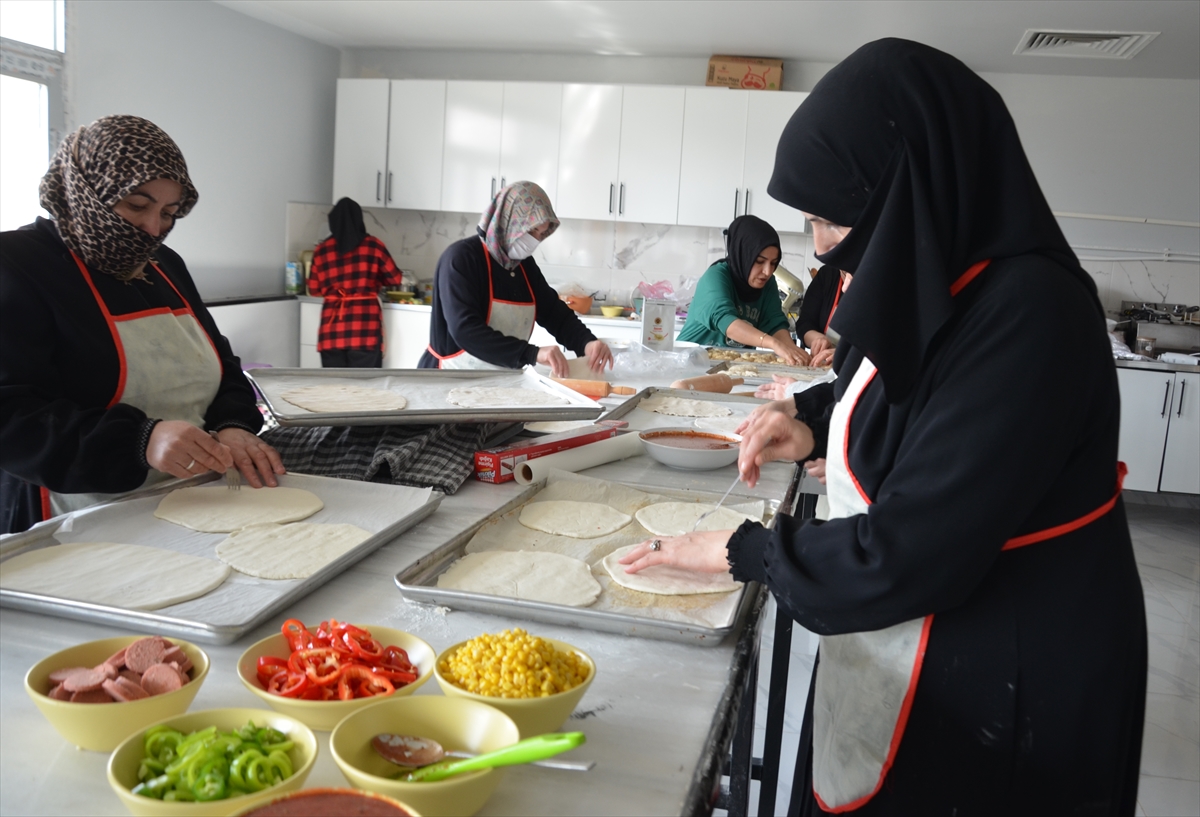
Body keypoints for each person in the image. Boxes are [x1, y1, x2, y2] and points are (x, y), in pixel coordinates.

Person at [621, 39, 1145, 815]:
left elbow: (911, 549)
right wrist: (807, 416)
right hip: (931, 622)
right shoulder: (945, 278)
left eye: (831, 218)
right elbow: (896, 382)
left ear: (910, 186)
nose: (823, 245)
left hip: (1009, 672)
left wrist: (744, 550)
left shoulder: (1033, 314)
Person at [0, 115, 284, 534]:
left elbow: (222, 364)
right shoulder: (18, 265)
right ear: (87, 189)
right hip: (75, 514)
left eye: (169, 213)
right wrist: (140, 439)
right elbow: (11, 413)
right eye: (137, 205)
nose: (153, 230)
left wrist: (233, 424)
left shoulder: (164, 265)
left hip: (192, 497)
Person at [418, 181, 612, 377]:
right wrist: (532, 353)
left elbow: (555, 315)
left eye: (541, 233)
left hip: (502, 380)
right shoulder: (461, 259)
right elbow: (465, 330)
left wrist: (587, 342)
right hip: (448, 378)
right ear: (507, 221)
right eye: (530, 231)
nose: (534, 241)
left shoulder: (524, 266)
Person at [678, 215, 810, 366]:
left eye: (773, 263)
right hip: (690, 364)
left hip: (730, 366)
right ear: (743, 255)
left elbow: (775, 324)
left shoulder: (767, 283)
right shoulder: (715, 277)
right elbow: (728, 323)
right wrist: (774, 344)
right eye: (759, 261)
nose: (767, 271)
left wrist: (792, 351)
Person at [306, 197, 404, 368]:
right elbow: (395, 278)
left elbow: (314, 289)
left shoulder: (321, 250)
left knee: (334, 388)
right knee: (366, 388)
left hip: (331, 333)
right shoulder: (374, 246)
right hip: (364, 330)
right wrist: (374, 280)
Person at [794, 264, 851, 368]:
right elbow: (805, 323)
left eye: (855, 275)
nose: (845, 286)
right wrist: (817, 339)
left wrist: (846, 354)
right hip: (824, 365)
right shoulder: (828, 275)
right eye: (844, 273)